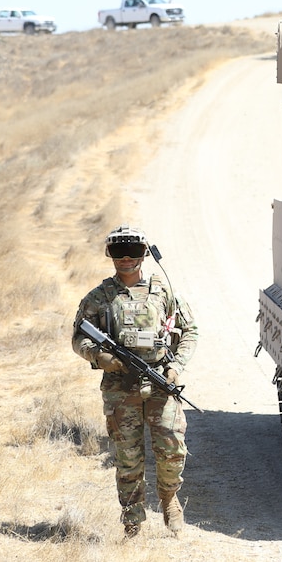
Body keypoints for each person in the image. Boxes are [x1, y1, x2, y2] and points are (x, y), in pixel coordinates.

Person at [72, 224, 198, 538]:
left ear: (145, 253)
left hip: (159, 382)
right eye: (118, 251)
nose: (126, 258)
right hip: (119, 388)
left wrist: (175, 367)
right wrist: (102, 358)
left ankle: (169, 498)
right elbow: (79, 338)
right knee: (127, 457)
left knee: (172, 449)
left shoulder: (162, 291)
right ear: (109, 254)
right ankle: (132, 520)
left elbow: (190, 331)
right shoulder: (99, 297)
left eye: (133, 251)